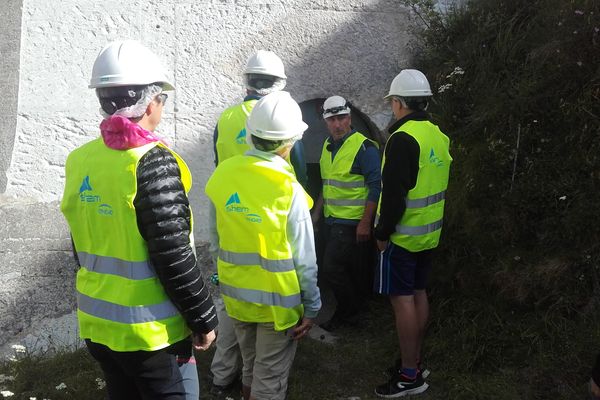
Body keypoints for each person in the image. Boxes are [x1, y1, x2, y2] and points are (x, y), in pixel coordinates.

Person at [60, 40, 217, 400]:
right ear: (150, 102)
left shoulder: (80, 160)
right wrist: (203, 317)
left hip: (99, 327)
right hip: (150, 335)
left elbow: (80, 243)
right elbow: (173, 252)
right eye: (162, 98)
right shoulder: (153, 161)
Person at [205, 91, 321, 400]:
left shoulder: (222, 175)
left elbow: (215, 241)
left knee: (250, 368)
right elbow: (304, 259)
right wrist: (312, 306)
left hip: (237, 297)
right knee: (269, 379)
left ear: (252, 135)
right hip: (277, 304)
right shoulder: (288, 188)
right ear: (289, 142)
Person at [373, 69, 452, 397]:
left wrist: (382, 232)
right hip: (429, 235)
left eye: (393, 101)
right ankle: (415, 361)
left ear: (399, 103)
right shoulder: (437, 135)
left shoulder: (401, 139)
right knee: (419, 294)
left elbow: (393, 194)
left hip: (402, 237)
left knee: (402, 300)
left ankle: (409, 376)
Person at [311, 95, 381, 331]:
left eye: (342, 118)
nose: (338, 124)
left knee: (332, 268)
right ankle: (354, 308)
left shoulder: (364, 147)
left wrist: (365, 222)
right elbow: (327, 183)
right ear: (325, 121)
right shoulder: (328, 146)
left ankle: (350, 313)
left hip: (351, 222)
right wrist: (317, 214)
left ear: (350, 117)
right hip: (332, 220)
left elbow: (376, 186)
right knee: (339, 267)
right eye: (332, 120)